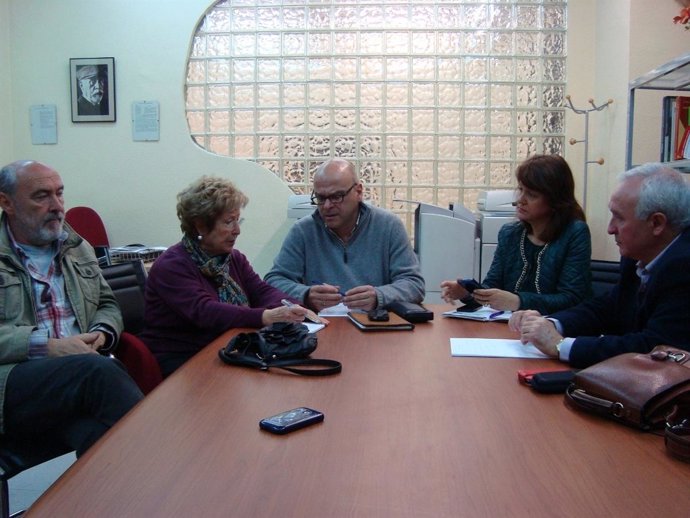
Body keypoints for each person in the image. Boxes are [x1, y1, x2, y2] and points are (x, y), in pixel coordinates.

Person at [0, 160, 143, 457]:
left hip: (76, 382)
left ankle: (108, 501)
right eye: (41, 196)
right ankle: (167, 472)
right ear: (6, 202)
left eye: (60, 193)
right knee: (97, 371)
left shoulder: (76, 245)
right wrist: (48, 347)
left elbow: (106, 303)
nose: (57, 205)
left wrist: (101, 334)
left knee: (103, 438)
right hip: (15, 382)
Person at [510, 163, 690, 368]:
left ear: (657, 223)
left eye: (619, 218)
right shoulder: (638, 254)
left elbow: (656, 349)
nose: (610, 229)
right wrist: (552, 324)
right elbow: (608, 309)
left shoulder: (684, 266)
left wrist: (561, 346)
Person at [140, 176, 308, 377]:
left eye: (238, 220)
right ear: (200, 225)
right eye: (229, 222)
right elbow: (205, 312)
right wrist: (265, 316)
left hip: (227, 349)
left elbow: (261, 291)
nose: (237, 231)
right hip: (183, 361)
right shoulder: (172, 266)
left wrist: (295, 306)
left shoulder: (232, 258)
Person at [264, 158, 425, 312]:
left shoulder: (389, 226)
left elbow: (414, 285)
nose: (327, 206)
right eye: (320, 198)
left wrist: (379, 296)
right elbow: (273, 281)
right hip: (323, 329)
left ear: (358, 192)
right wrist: (305, 294)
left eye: (336, 197)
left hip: (377, 328)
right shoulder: (303, 231)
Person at [440, 154, 592, 314]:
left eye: (532, 195)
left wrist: (518, 301)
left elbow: (572, 299)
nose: (520, 200)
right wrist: (467, 293)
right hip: (511, 328)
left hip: (556, 329)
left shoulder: (575, 233)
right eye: (520, 189)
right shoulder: (510, 234)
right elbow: (492, 289)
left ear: (555, 201)